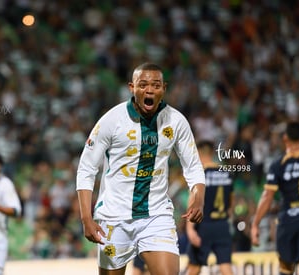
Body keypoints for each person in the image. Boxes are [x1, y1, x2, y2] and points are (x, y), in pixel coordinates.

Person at [76, 62, 206, 275]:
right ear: (131, 87)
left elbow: (193, 166)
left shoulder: (176, 121)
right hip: (113, 217)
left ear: (164, 88)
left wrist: (199, 198)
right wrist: (86, 218)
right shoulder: (112, 120)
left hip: (156, 215)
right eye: (143, 84)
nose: (149, 90)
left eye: (155, 85)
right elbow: (86, 168)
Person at [251, 82, 299, 275]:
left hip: (289, 221)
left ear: (285, 138)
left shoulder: (279, 165)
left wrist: (255, 223)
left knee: (286, 268)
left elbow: (267, 197)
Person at [185, 140, 234, 275]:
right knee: (225, 266)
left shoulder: (200, 174)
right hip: (222, 225)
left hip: (204, 225)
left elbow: (193, 203)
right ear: (212, 153)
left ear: (198, 154)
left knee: (194, 267)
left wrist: (190, 229)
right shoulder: (227, 173)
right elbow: (230, 205)